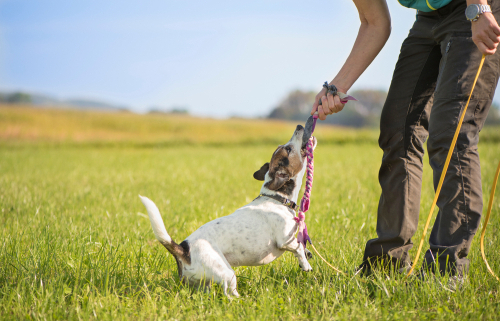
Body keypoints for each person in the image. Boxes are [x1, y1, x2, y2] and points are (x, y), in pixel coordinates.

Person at [311, 0, 500, 278]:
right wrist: (337, 87)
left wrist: (478, 8)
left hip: (473, 8)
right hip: (428, 19)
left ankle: (447, 269)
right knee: (397, 130)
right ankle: (387, 263)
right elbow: (373, 23)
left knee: (451, 133)